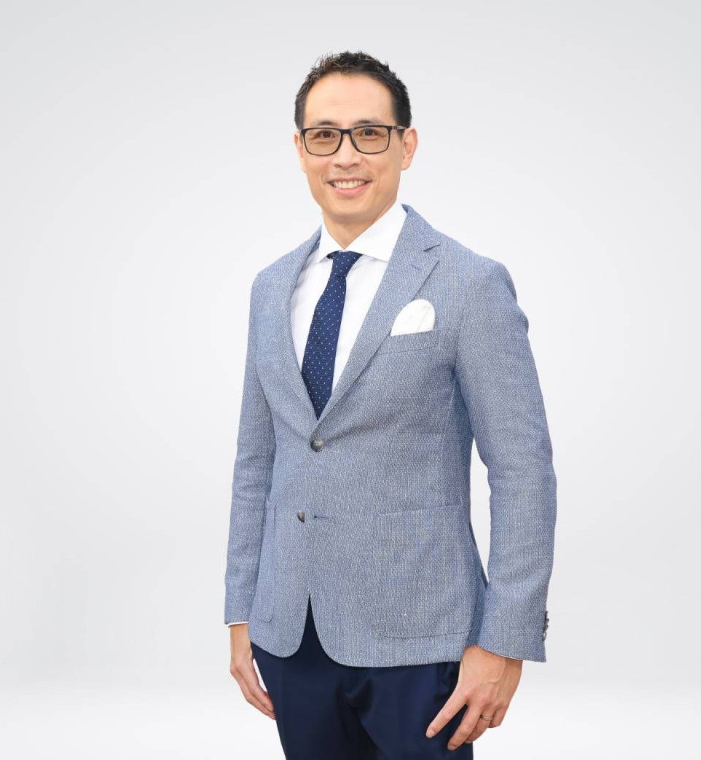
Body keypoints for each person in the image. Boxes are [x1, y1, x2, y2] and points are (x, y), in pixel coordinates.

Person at [224, 50, 557, 758]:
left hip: (422, 639)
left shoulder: (467, 282)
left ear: (406, 145)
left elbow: (522, 470)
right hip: (292, 635)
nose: (345, 155)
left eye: (368, 133)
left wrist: (505, 639)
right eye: (325, 135)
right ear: (300, 150)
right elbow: (258, 461)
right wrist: (241, 610)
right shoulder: (270, 287)